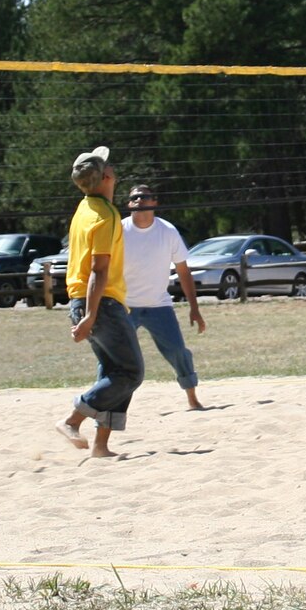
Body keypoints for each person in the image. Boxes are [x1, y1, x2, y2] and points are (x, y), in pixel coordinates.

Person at [55, 146, 143, 458]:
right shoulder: (105, 216)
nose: (115, 170)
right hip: (101, 303)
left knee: (113, 372)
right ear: (106, 177)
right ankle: (72, 419)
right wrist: (91, 315)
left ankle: (101, 446)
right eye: (111, 167)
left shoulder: (85, 208)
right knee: (131, 373)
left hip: (87, 300)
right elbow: (99, 269)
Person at [121, 184, 207, 410]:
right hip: (124, 305)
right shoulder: (118, 230)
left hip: (159, 305)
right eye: (135, 198)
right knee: (115, 356)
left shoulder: (167, 231)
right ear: (129, 204)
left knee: (178, 351)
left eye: (144, 197)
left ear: (154, 202)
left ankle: (192, 398)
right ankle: (104, 403)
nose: (140, 200)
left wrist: (194, 308)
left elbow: (183, 271)